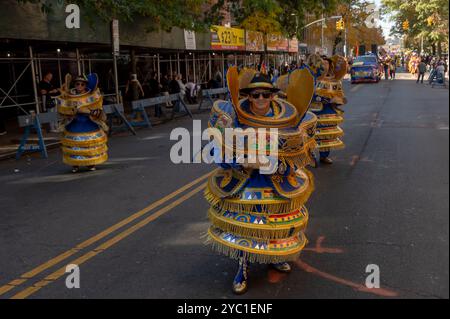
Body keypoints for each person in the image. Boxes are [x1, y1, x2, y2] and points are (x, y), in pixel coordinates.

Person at [204, 69, 316, 295]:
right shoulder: (234, 118)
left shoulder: (288, 120)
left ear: (274, 96)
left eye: (266, 95)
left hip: (275, 182)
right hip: (245, 183)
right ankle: (242, 267)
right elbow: (216, 152)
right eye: (255, 95)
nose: (261, 100)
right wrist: (241, 162)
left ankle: (273, 258)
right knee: (248, 226)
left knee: (273, 222)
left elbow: (299, 156)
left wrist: (273, 164)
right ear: (247, 96)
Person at [57, 74, 108, 173]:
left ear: (85, 85)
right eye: (77, 84)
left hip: (89, 124)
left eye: (82, 84)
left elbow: (99, 111)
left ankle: (90, 164)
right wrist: (73, 112)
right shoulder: (68, 96)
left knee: (90, 145)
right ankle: (75, 165)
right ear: (75, 84)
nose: (79, 86)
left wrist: (89, 112)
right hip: (74, 124)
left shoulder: (92, 96)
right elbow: (62, 111)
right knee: (75, 145)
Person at [308, 55, 348, 165]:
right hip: (313, 111)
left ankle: (324, 156)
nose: (325, 65)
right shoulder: (313, 79)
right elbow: (307, 94)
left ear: (330, 65)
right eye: (323, 63)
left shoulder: (335, 80)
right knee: (311, 134)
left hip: (328, 111)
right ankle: (310, 155)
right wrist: (321, 99)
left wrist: (338, 100)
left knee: (327, 134)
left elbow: (340, 95)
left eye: (327, 63)